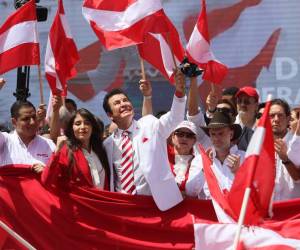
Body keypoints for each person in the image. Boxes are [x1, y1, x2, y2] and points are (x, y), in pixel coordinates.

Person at [102, 71, 186, 211]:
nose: (123, 104)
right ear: (110, 115)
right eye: (117, 103)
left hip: (156, 204)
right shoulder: (107, 145)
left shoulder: (149, 124)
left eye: (125, 100)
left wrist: (179, 93)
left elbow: (175, 118)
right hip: (123, 206)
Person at [41, 108, 110, 190]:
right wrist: (57, 152)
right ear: (71, 128)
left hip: (102, 201)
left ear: (93, 127)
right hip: (78, 202)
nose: (83, 127)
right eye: (78, 124)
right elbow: (46, 181)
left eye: (87, 123)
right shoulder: (65, 151)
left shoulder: (100, 150)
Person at [186, 110, 245, 199]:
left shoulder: (245, 157)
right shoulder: (200, 160)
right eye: (213, 134)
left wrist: (237, 173)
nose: (216, 138)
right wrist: (205, 167)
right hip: (209, 211)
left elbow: (253, 191)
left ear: (231, 134)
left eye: (221, 133)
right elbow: (190, 192)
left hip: (236, 211)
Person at [0, 101, 55, 172]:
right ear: (14, 122)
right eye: (26, 119)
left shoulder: (49, 145)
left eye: (34, 117)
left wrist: (47, 171)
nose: (32, 122)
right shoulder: (4, 141)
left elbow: (58, 175)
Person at [270, 99, 300, 200]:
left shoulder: (297, 143)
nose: (276, 119)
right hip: (270, 210)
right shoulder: (260, 145)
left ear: (288, 119)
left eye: (280, 115)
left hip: (293, 211)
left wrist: (285, 159)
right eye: (272, 116)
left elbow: (298, 178)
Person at [167, 121, 204, 195]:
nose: (184, 138)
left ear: (194, 141)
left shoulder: (199, 162)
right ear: (173, 137)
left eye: (189, 135)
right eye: (180, 134)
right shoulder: (162, 156)